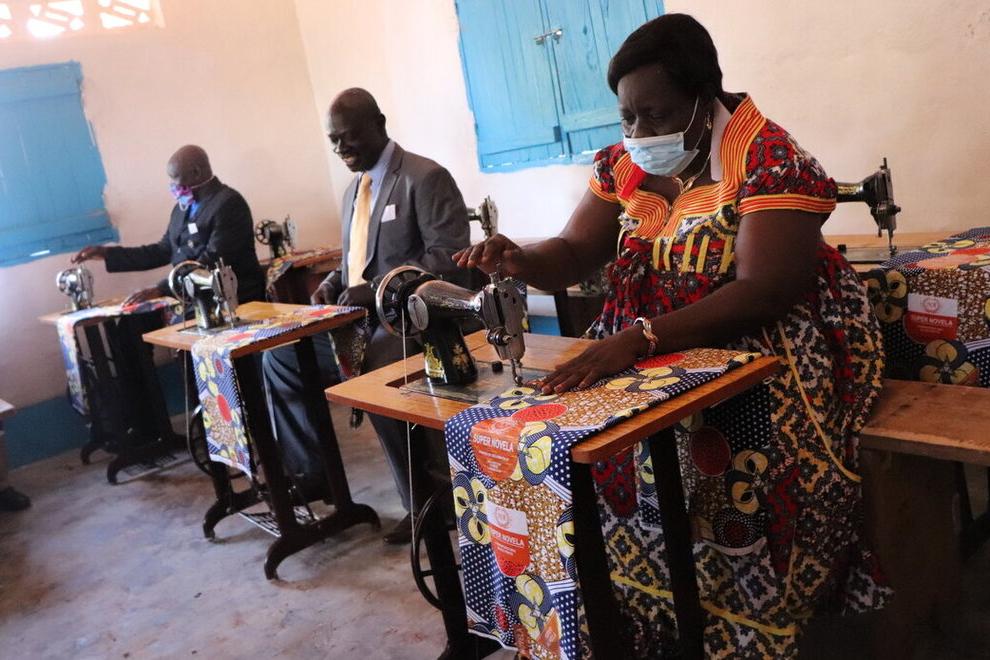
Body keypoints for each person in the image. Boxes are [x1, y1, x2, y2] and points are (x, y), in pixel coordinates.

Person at [454, 14, 889, 657]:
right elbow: (574, 252)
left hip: (762, 354)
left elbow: (764, 291)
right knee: (580, 458)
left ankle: (747, 631)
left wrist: (639, 339)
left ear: (703, 98)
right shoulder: (624, 165)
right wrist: (521, 259)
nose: (637, 132)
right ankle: (646, 623)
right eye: (626, 117)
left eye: (654, 115)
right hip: (645, 349)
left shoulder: (771, 159)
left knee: (743, 484)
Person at [263, 88, 471, 542]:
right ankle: (314, 477)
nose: (341, 148)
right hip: (357, 321)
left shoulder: (424, 178)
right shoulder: (352, 192)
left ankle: (427, 504)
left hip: (411, 321)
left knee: (378, 365)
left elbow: (450, 261)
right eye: (333, 140)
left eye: (349, 136)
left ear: (379, 124)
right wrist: (332, 282)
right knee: (279, 358)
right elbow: (353, 263)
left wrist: (375, 289)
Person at [73, 145, 265, 304]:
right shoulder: (181, 209)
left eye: (174, 177)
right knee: (132, 323)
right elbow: (163, 250)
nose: (172, 185)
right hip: (194, 298)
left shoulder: (228, 204)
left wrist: (163, 288)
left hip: (234, 299)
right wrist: (107, 254)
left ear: (196, 173)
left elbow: (213, 259)